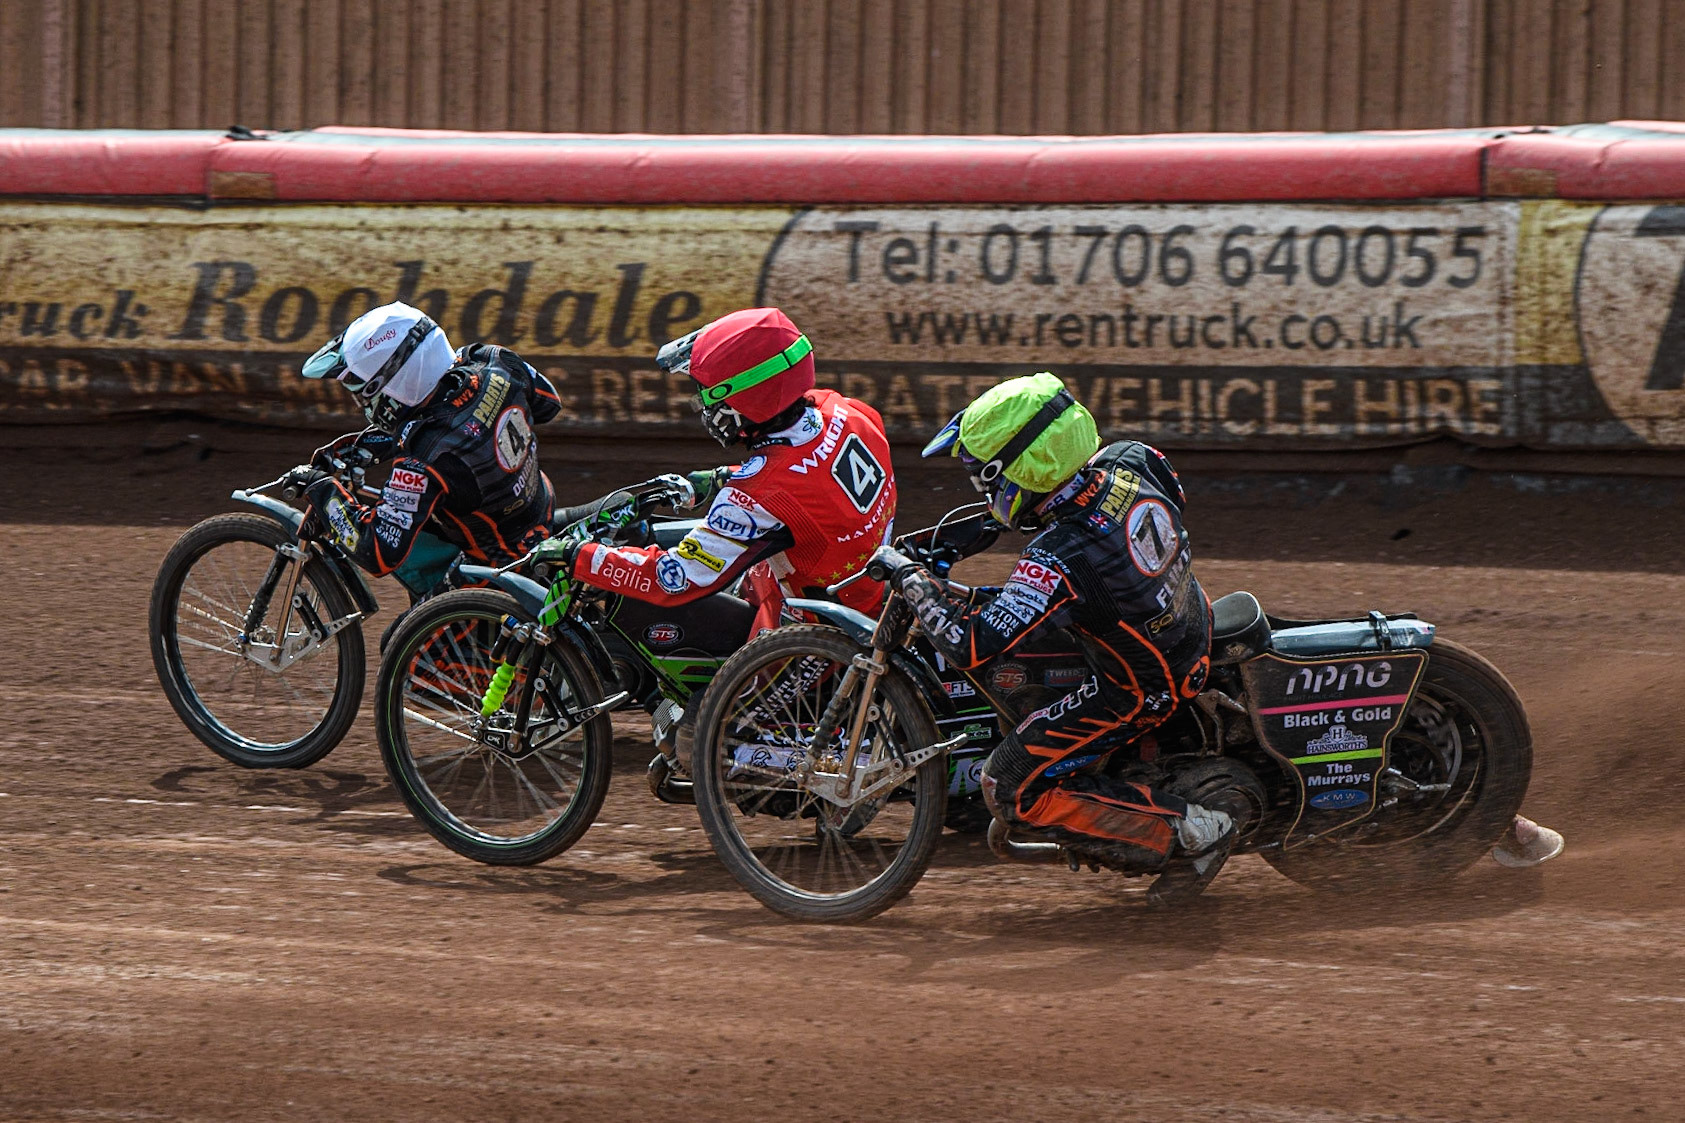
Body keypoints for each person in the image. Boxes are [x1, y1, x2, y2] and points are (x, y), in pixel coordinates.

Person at [874, 372, 1235, 900]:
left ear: (1020, 470)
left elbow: (973, 645)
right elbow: (1168, 504)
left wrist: (916, 584)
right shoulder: (1133, 458)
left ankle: (1192, 830)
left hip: (1139, 687)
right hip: (1185, 620)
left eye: (984, 478)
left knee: (1007, 785)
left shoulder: (1057, 555)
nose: (980, 488)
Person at [535, 307, 896, 616]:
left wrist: (582, 557)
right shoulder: (847, 411)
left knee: (708, 693)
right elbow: (813, 482)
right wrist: (720, 478)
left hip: (812, 633)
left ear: (747, 396)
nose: (706, 408)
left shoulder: (756, 496)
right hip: (856, 586)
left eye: (709, 396)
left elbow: (673, 578)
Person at [288, 301, 562, 602]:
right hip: (540, 510)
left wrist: (324, 491)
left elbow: (378, 552)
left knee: (399, 645)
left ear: (395, 380)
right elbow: (548, 404)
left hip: (499, 566)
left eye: (363, 394)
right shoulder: (493, 359)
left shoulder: (422, 460)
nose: (363, 405)